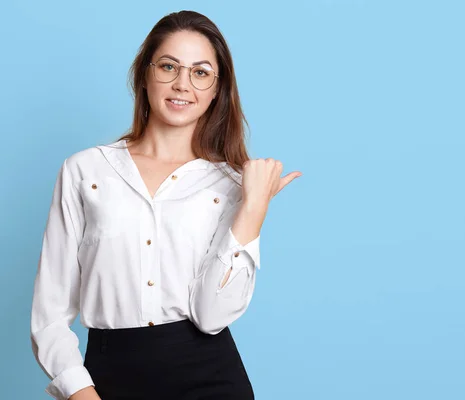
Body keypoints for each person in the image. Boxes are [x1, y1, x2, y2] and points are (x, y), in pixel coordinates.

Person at [30, 10, 301, 400]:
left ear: (215, 89)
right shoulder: (85, 170)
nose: (182, 84)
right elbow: (49, 314)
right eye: (169, 66)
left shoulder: (230, 184)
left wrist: (253, 209)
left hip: (209, 375)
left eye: (200, 72)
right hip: (109, 372)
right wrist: (79, 392)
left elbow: (211, 317)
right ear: (144, 73)